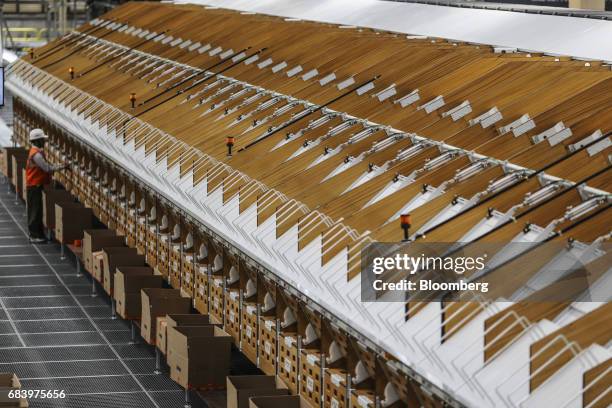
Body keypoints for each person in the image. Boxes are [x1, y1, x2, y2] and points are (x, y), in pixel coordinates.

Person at [26, 129, 67, 243]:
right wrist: (62, 166)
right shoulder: (36, 155)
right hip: (34, 186)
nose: (45, 142)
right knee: (35, 211)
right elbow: (47, 168)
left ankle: (38, 234)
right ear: (38, 141)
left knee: (37, 211)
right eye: (43, 140)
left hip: (35, 185)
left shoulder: (36, 152)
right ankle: (34, 235)